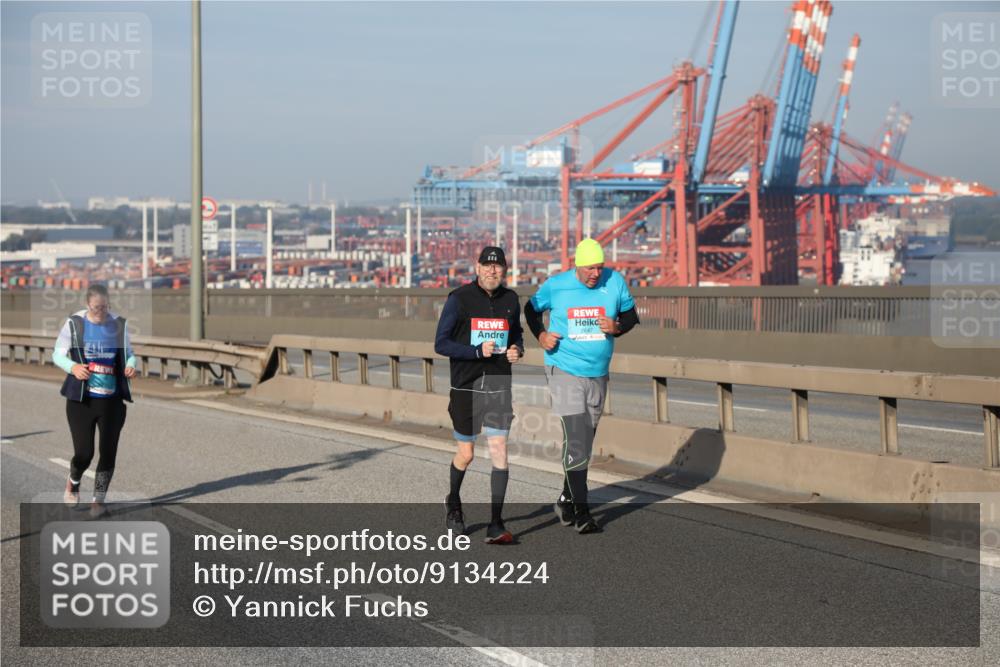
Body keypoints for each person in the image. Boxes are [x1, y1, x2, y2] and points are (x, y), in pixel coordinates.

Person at [524, 239, 639, 533]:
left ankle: (566, 497)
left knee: (584, 440)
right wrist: (540, 335)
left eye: (600, 268)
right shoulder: (556, 285)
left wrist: (617, 327)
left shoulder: (615, 282)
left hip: (598, 372)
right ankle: (583, 512)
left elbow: (630, 315)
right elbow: (530, 308)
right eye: (590, 268)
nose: (595, 274)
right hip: (563, 367)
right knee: (576, 436)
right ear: (577, 264)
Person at [434, 246, 523, 544]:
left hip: (499, 386)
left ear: (504, 270)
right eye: (487, 265)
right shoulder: (458, 299)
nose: (492, 271)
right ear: (477, 267)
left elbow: (517, 334)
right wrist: (474, 351)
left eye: (498, 267)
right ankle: (454, 501)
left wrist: (517, 349)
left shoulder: (511, 300)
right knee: (467, 454)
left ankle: (496, 524)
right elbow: (441, 343)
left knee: (499, 451)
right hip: (466, 387)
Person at [52, 283, 136, 515]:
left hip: (111, 401)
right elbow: (57, 354)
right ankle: (74, 480)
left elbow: (129, 354)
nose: (101, 312)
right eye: (97, 308)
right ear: (88, 305)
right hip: (81, 401)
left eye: (105, 307)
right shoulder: (75, 324)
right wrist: (73, 367)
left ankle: (98, 500)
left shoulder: (119, 324)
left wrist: (130, 365)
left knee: (108, 453)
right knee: (84, 453)